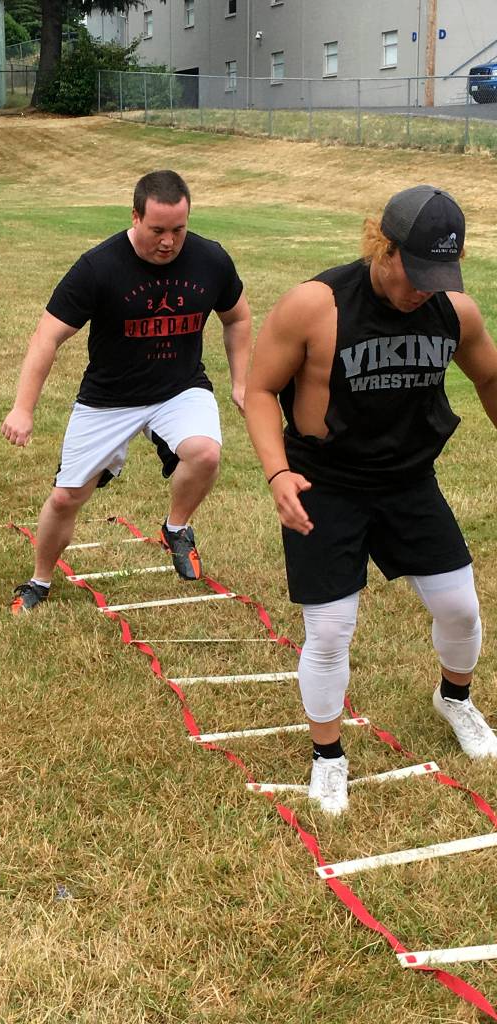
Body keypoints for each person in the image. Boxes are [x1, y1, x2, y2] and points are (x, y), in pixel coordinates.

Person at [245, 185, 497, 815]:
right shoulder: (315, 305)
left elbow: (489, 376)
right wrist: (278, 475)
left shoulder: (453, 312)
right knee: (330, 629)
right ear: (381, 248)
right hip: (325, 484)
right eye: (414, 271)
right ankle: (328, 756)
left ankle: (455, 698)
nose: (423, 289)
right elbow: (257, 390)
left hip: (409, 481)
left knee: (461, 609)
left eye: (438, 275)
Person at [2, 169, 252, 613]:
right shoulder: (99, 267)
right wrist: (23, 408)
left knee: (206, 453)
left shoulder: (210, 260)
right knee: (66, 497)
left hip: (180, 387)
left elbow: (237, 318)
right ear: (135, 217)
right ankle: (40, 580)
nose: (168, 242)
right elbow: (47, 337)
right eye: (157, 229)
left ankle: (176, 528)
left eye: (178, 229)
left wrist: (241, 380)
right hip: (109, 398)